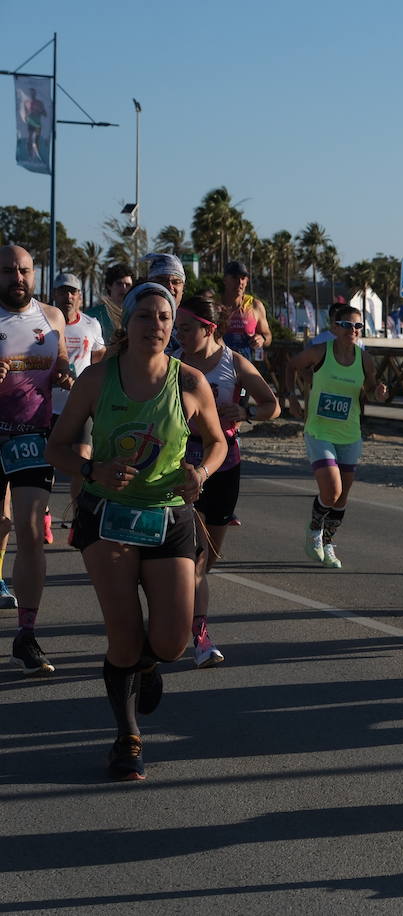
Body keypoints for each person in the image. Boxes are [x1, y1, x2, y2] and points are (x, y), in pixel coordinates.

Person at [46, 281, 227, 779]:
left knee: (170, 644)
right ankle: (127, 738)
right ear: (127, 324)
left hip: (169, 516)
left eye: (165, 318)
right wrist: (91, 472)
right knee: (124, 637)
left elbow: (216, 444)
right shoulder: (97, 380)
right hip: (108, 516)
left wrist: (202, 473)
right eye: (145, 317)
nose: (156, 326)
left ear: (174, 327)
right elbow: (56, 447)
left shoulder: (190, 382)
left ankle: (147, 666)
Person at [173, 293, 280, 666]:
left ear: (208, 328)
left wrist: (247, 410)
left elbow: (272, 404)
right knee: (196, 554)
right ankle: (200, 635)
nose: (179, 335)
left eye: (186, 329)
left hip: (225, 463)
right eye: (177, 328)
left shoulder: (234, 363)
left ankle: (186, 599)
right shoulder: (175, 363)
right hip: (184, 462)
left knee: (208, 556)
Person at [1, 245, 71, 675]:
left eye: (24, 270)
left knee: (29, 530)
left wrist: (63, 370)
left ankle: (26, 634)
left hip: (30, 435)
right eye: (8, 271)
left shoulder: (52, 317)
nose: (18, 278)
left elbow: (60, 357)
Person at [287, 305, 386, 568]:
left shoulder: (364, 359)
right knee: (332, 490)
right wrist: (291, 397)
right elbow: (291, 366)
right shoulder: (320, 352)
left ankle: (329, 543)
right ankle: (314, 532)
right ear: (333, 327)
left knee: (342, 498)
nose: (352, 330)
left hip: (350, 433)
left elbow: (371, 386)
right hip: (319, 430)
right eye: (345, 324)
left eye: (357, 326)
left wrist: (378, 391)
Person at [49, 272, 106, 529]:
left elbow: (99, 360)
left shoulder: (91, 325)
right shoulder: (45, 324)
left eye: (72, 291)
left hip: (80, 406)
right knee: (44, 464)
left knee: (82, 458)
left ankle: (78, 518)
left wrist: (90, 389)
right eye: (62, 291)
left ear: (80, 297)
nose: (68, 296)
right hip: (47, 405)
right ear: (54, 295)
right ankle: (45, 511)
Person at [220, 261, 271, 359]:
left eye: (243, 278)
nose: (239, 282)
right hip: (219, 365)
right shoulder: (215, 305)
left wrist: (262, 339)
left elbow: (268, 336)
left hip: (247, 365)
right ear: (225, 280)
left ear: (247, 281)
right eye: (234, 277)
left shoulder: (255, 305)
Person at [83, 262, 134, 346]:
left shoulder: (136, 313)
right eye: (119, 284)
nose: (124, 288)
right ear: (109, 286)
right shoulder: (93, 315)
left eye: (128, 285)